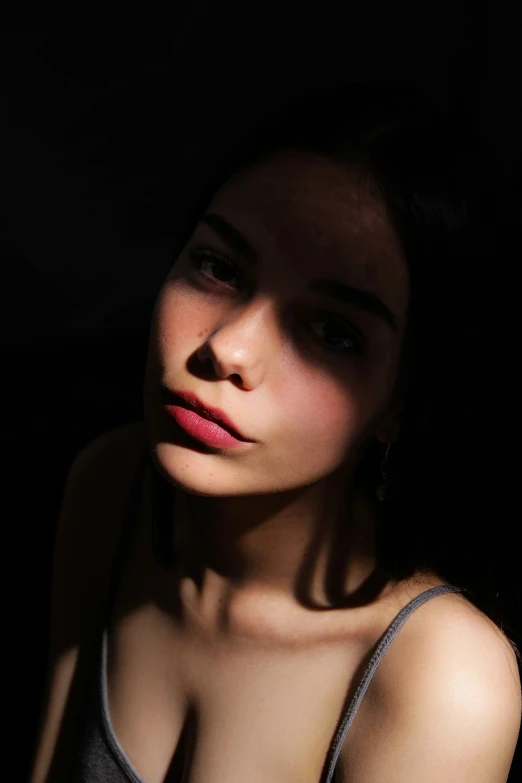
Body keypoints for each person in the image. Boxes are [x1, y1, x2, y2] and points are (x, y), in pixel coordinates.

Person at [30, 81, 521, 783]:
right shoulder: (113, 491)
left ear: (400, 402)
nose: (228, 348)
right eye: (218, 267)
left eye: (331, 332)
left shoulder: (439, 679)